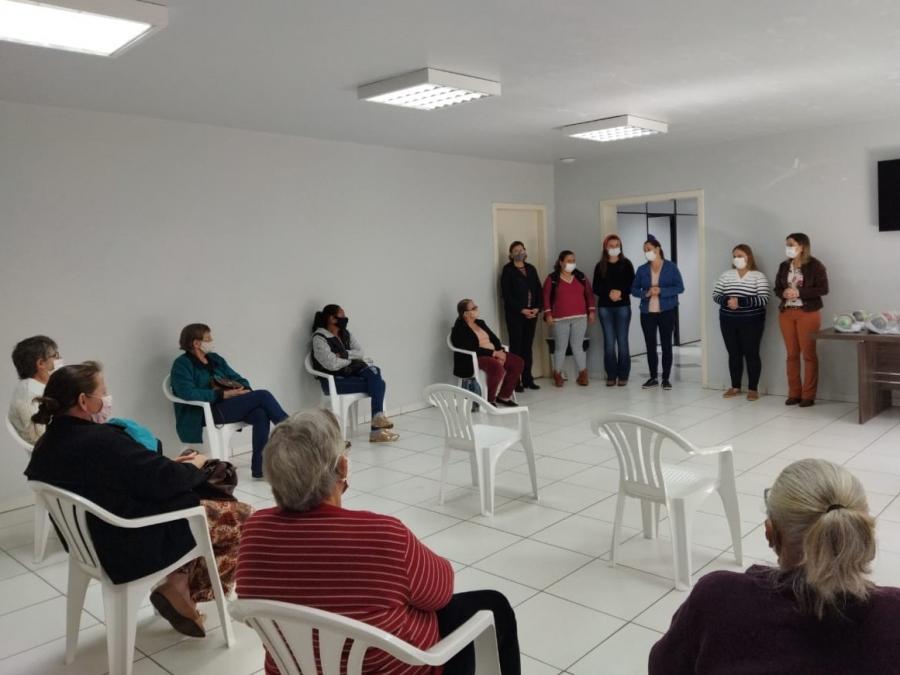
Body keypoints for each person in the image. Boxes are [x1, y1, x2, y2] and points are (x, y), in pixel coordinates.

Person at [236, 408, 521, 675]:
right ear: (342, 467)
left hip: (295, 668)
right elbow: (441, 592)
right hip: (395, 668)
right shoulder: (382, 535)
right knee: (493, 605)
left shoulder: (254, 532)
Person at [24, 361, 252, 638]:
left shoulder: (47, 444)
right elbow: (164, 480)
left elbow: (127, 475)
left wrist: (168, 467)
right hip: (129, 543)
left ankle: (179, 583)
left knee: (199, 505)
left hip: (90, 543)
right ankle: (182, 590)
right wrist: (195, 465)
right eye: (103, 392)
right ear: (83, 401)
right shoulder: (101, 440)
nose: (107, 399)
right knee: (243, 517)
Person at [649, 459, 900, 674]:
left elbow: (663, 667)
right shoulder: (892, 614)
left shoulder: (717, 599)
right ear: (860, 531)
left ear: (771, 533)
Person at [170, 323, 288, 478]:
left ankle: (259, 469)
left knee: (260, 413)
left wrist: (243, 390)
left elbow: (238, 378)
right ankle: (295, 434)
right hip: (203, 412)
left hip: (227, 405)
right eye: (208, 338)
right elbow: (187, 392)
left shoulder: (215, 359)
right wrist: (222, 395)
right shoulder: (182, 364)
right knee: (263, 395)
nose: (212, 341)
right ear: (196, 343)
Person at [311, 304, 399, 442]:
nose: (345, 319)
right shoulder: (319, 338)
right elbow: (332, 364)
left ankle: (377, 420)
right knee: (379, 384)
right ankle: (376, 428)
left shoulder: (345, 334)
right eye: (342, 316)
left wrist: (344, 355)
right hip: (334, 381)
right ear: (332, 319)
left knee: (374, 370)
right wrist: (351, 360)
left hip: (351, 374)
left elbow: (360, 352)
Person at [774, 233, 829, 407]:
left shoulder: (815, 265)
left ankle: (808, 395)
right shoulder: (784, 266)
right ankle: (794, 393)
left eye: (791, 244)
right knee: (791, 355)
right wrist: (783, 293)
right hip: (786, 313)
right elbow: (777, 288)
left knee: (809, 355)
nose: (788, 248)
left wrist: (799, 292)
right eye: (787, 245)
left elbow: (824, 289)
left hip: (808, 313)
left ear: (802, 246)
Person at [712, 244, 770, 401]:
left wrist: (740, 302)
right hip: (728, 321)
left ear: (748, 257)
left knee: (752, 353)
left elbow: (764, 298)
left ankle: (753, 389)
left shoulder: (758, 276)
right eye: (734, 256)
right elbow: (716, 294)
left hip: (752, 322)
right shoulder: (726, 275)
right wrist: (727, 301)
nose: (736, 259)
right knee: (733, 354)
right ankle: (735, 386)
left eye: (740, 256)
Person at [631, 236, 684, 390]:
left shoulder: (671, 267)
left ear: (658, 249)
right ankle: (653, 377)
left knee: (667, 345)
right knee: (650, 345)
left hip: (667, 311)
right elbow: (633, 289)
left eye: (649, 249)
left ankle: (666, 378)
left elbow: (680, 287)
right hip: (647, 313)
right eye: (645, 250)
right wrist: (645, 293)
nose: (646, 252)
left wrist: (662, 291)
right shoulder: (642, 269)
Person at [451, 299, 523, 406]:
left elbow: (494, 339)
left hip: (493, 353)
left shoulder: (480, 323)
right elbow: (472, 348)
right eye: (473, 308)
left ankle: (503, 396)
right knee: (496, 368)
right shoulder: (459, 329)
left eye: (476, 306)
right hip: (476, 357)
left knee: (517, 362)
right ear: (466, 314)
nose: (477, 309)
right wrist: (493, 354)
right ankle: (489, 399)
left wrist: (499, 351)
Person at [542, 250, 596, 387]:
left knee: (578, 347)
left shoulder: (581, 277)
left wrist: (591, 311)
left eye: (573, 260)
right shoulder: (552, 278)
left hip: (580, 318)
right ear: (561, 262)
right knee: (560, 348)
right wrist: (548, 314)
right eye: (568, 261)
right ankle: (557, 374)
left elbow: (589, 295)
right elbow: (546, 297)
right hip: (560, 319)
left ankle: (583, 374)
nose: (572, 263)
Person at [592, 234, 635, 387]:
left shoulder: (627, 264)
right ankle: (611, 374)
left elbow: (632, 284)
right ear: (605, 247)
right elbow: (596, 287)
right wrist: (609, 293)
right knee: (609, 342)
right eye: (611, 245)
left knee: (622, 341)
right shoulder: (600, 266)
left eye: (617, 245)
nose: (614, 248)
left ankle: (623, 374)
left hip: (623, 306)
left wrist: (620, 293)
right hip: (605, 308)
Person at [500, 241, 543, 391]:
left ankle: (527, 379)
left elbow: (538, 289)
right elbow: (506, 295)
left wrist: (537, 308)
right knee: (516, 348)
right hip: (516, 315)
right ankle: (515, 381)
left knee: (527, 347)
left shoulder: (531, 268)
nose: (520, 252)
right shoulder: (508, 270)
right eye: (516, 251)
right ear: (511, 255)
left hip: (532, 314)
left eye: (521, 250)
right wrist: (521, 309)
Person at [8, 335, 62, 444]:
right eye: (55, 355)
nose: (60, 358)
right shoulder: (29, 396)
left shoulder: (42, 388)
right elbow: (41, 437)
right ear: (41, 363)